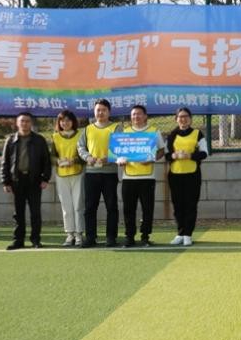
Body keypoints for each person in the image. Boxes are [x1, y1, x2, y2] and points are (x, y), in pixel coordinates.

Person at [0, 112, 51, 250]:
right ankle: (18, 240)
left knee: (35, 212)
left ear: (31, 123)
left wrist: (45, 178)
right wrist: (5, 181)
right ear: (17, 123)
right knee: (18, 213)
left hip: (34, 180)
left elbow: (46, 161)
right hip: (17, 180)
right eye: (22, 121)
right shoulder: (10, 140)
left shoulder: (39, 140)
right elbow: (5, 162)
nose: (24, 123)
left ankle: (36, 239)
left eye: (27, 121)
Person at [77, 98, 122, 248]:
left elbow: (120, 147)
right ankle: (90, 237)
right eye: (98, 110)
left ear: (109, 112)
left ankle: (111, 237)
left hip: (110, 173)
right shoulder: (88, 129)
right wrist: (88, 157)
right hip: (91, 173)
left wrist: (109, 158)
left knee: (111, 206)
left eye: (103, 110)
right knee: (90, 207)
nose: (100, 113)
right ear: (94, 112)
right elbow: (80, 147)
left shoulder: (116, 128)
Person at [119, 105, 165, 248]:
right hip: (128, 177)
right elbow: (118, 152)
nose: (136, 117)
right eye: (133, 114)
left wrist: (152, 158)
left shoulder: (154, 131)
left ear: (145, 116)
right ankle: (129, 237)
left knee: (147, 209)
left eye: (139, 114)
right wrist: (119, 160)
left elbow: (161, 151)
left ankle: (145, 237)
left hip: (147, 177)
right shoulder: (125, 132)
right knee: (128, 209)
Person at [165, 107, 208, 246]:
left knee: (191, 204)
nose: (183, 119)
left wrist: (190, 155)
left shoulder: (197, 134)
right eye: (180, 117)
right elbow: (166, 155)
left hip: (192, 175)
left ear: (190, 119)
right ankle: (180, 233)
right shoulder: (172, 135)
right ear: (176, 119)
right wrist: (174, 155)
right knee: (178, 205)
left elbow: (204, 153)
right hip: (175, 175)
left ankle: (188, 234)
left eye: (186, 116)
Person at [50, 110, 84, 247]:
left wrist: (74, 160)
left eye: (68, 120)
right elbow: (51, 156)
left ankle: (79, 234)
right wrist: (58, 161)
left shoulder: (80, 135)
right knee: (66, 206)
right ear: (59, 122)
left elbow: (85, 154)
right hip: (61, 175)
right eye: (62, 120)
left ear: (73, 121)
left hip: (78, 173)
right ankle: (70, 234)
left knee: (78, 205)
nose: (65, 123)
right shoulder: (55, 137)